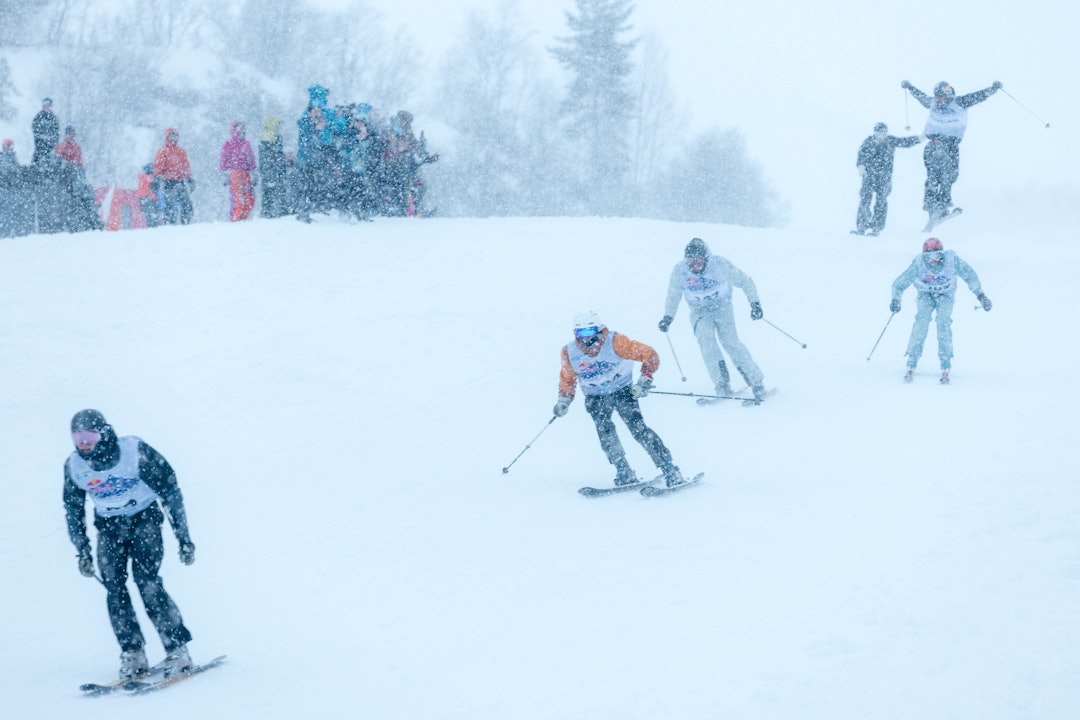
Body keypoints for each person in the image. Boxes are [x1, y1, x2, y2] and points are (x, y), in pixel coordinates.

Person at [63, 409, 197, 679]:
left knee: (147, 582)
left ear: (103, 433)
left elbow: (170, 488)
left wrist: (183, 537)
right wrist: (83, 551)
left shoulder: (133, 451)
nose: (83, 442)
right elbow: (73, 508)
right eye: (77, 436)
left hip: (144, 520)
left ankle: (177, 650)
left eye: (89, 435)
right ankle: (133, 653)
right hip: (109, 528)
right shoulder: (75, 466)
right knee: (114, 590)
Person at [554, 311, 686, 488]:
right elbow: (567, 378)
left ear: (599, 330)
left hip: (622, 390)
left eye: (589, 332)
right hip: (595, 396)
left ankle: (669, 469)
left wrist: (645, 378)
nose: (585, 339)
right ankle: (623, 470)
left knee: (638, 429)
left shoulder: (615, 341)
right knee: (605, 432)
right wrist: (564, 399)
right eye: (580, 333)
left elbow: (649, 354)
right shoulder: (570, 352)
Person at [658, 237, 768, 403]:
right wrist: (668, 317)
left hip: (722, 308)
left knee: (731, 342)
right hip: (699, 312)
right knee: (707, 345)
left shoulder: (719, 265)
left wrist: (755, 304)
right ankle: (721, 385)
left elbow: (745, 281)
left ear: (705, 259)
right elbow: (673, 295)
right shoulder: (680, 271)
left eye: (698, 262)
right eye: (691, 262)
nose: (694, 266)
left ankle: (756, 382)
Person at [901, 79, 1002, 230]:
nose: (939, 100)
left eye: (942, 96)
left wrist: (992, 90)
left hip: (951, 146)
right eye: (937, 96)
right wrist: (910, 87)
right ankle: (937, 205)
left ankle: (938, 205)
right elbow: (920, 96)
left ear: (949, 95)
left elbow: (978, 96)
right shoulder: (932, 103)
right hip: (935, 145)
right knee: (939, 176)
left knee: (951, 175)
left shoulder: (959, 102)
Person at [889, 237, 992, 382]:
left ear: (942, 254)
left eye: (937, 255)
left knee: (943, 323)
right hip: (925, 295)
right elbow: (900, 283)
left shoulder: (952, 261)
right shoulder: (918, 264)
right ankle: (912, 357)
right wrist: (895, 299)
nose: (933, 260)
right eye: (928, 256)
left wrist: (981, 296)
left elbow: (970, 276)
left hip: (945, 295)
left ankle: (945, 360)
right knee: (921, 321)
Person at [853, 122, 921, 236]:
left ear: (886, 133)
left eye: (883, 133)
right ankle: (861, 226)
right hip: (868, 177)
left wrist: (919, 139)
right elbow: (861, 156)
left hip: (884, 179)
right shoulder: (868, 142)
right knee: (865, 200)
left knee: (881, 202)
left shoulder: (890, 141)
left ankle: (876, 227)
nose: (880, 136)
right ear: (874, 133)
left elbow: (904, 142)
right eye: (878, 133)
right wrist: (861, 166)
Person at [153, 127, 194, 224]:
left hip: (180, 182)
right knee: (169, 205)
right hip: (169, 183)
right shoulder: (163, 151)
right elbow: (158, 166)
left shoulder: (181, 152)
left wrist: (189, 178)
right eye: (172, 135)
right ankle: (170, 225)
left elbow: (185, 166)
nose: (174, 137)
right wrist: (158, 177)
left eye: (176, 135)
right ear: (167, 137)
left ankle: (185, 223)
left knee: (187, 205)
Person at [219, 120, 256, 222]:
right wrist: (225, 174)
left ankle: (242, 220)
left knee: (250, 200)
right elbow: (223, 160)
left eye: (244, 128)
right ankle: (235, 221)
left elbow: (251, 159)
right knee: (239, 200)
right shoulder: (229, 144)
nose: (243, 130)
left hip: (246, 174)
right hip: (235, 174)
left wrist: (253, 171)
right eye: (240, 128)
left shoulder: (246, 144)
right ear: (234, 130)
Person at [258, 116, 287, 218]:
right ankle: (269, 214)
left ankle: (269, 213)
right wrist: (270, 173)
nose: (279, 126)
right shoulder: (268, 138)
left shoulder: (273, 136)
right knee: (271, 194)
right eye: (277, 124)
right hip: (271, 171)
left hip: (273, 170)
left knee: (269, 194)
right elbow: (268, 158)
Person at [32, 97, 60, 164]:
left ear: (50, 106)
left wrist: (52, 139)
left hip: (50, 145)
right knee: (37, 158)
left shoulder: (53, 118)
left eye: (48, 105)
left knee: (49, 159)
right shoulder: (39, 116)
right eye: (45, 105)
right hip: (40, 143)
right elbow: (34, 127)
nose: (47, 107)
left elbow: (56, 131)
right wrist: (40, 136)